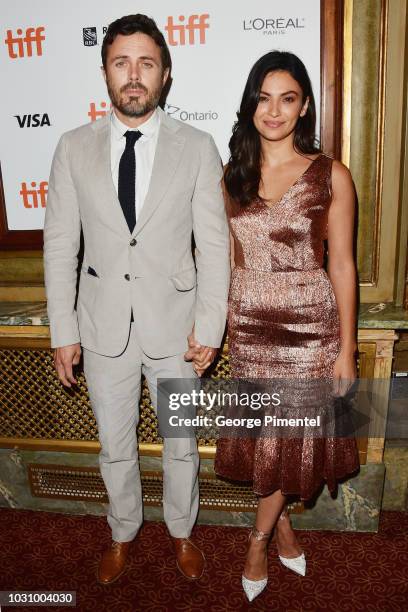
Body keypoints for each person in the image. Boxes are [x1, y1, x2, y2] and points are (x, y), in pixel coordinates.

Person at [44, 14, 230, 585]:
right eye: (122, 62)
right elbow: (60, 246)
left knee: (180, 444)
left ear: (164, 75)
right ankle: (123, 531)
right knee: (115, 446)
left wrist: (210, 327)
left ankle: (181, 531)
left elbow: (215, 244)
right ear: (105, 73)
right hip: (101, 330)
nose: (133, 75)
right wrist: (62, 331)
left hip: (177, 331)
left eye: (145, 63)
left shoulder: (196, 147)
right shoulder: (72, 147)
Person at [208, 51, 360, 601]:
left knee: (289, 437)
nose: (273, 110)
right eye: (263, 98)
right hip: (248, 328)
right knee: (265, 443)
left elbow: (341, 264)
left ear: (304, 106)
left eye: (287, 98)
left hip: (308, 333)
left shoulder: (330, 173)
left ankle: (257, 540)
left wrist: (347, 350)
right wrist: (214, 327)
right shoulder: (232, 174)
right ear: (250, 104)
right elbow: (226, 260)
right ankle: (286, 528)